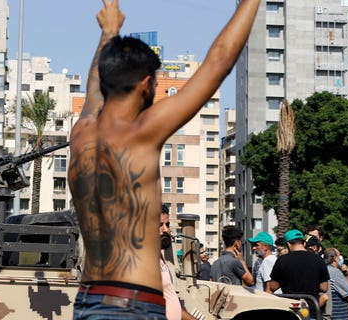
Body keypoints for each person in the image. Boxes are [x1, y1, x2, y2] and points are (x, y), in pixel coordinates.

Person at [69, 0, 260, 317]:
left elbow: (93, 94)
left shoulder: (81, 135)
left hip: (89, 300)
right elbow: (218, 63)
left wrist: (109, 32)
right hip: (133, 304)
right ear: (146, 84)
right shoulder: (141, 132)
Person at [268, 229, 329, 320]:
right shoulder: (318, 260)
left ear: (288, 244)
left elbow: (273, 286)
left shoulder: (282, 260)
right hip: (311, 311)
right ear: (304, 243)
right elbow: (324, 287)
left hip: (290, 310)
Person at [159, 205, 195, 320]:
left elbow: (169, 301)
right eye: (159, 225)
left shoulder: (158, 257)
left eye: (167, 224)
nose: (166, 230)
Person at [324, 248, 348, 320]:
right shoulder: (335, 272)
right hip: (339, 314)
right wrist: (346, 275)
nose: (340, 258)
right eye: (339, 256)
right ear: (334, 258)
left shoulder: (324, 269)